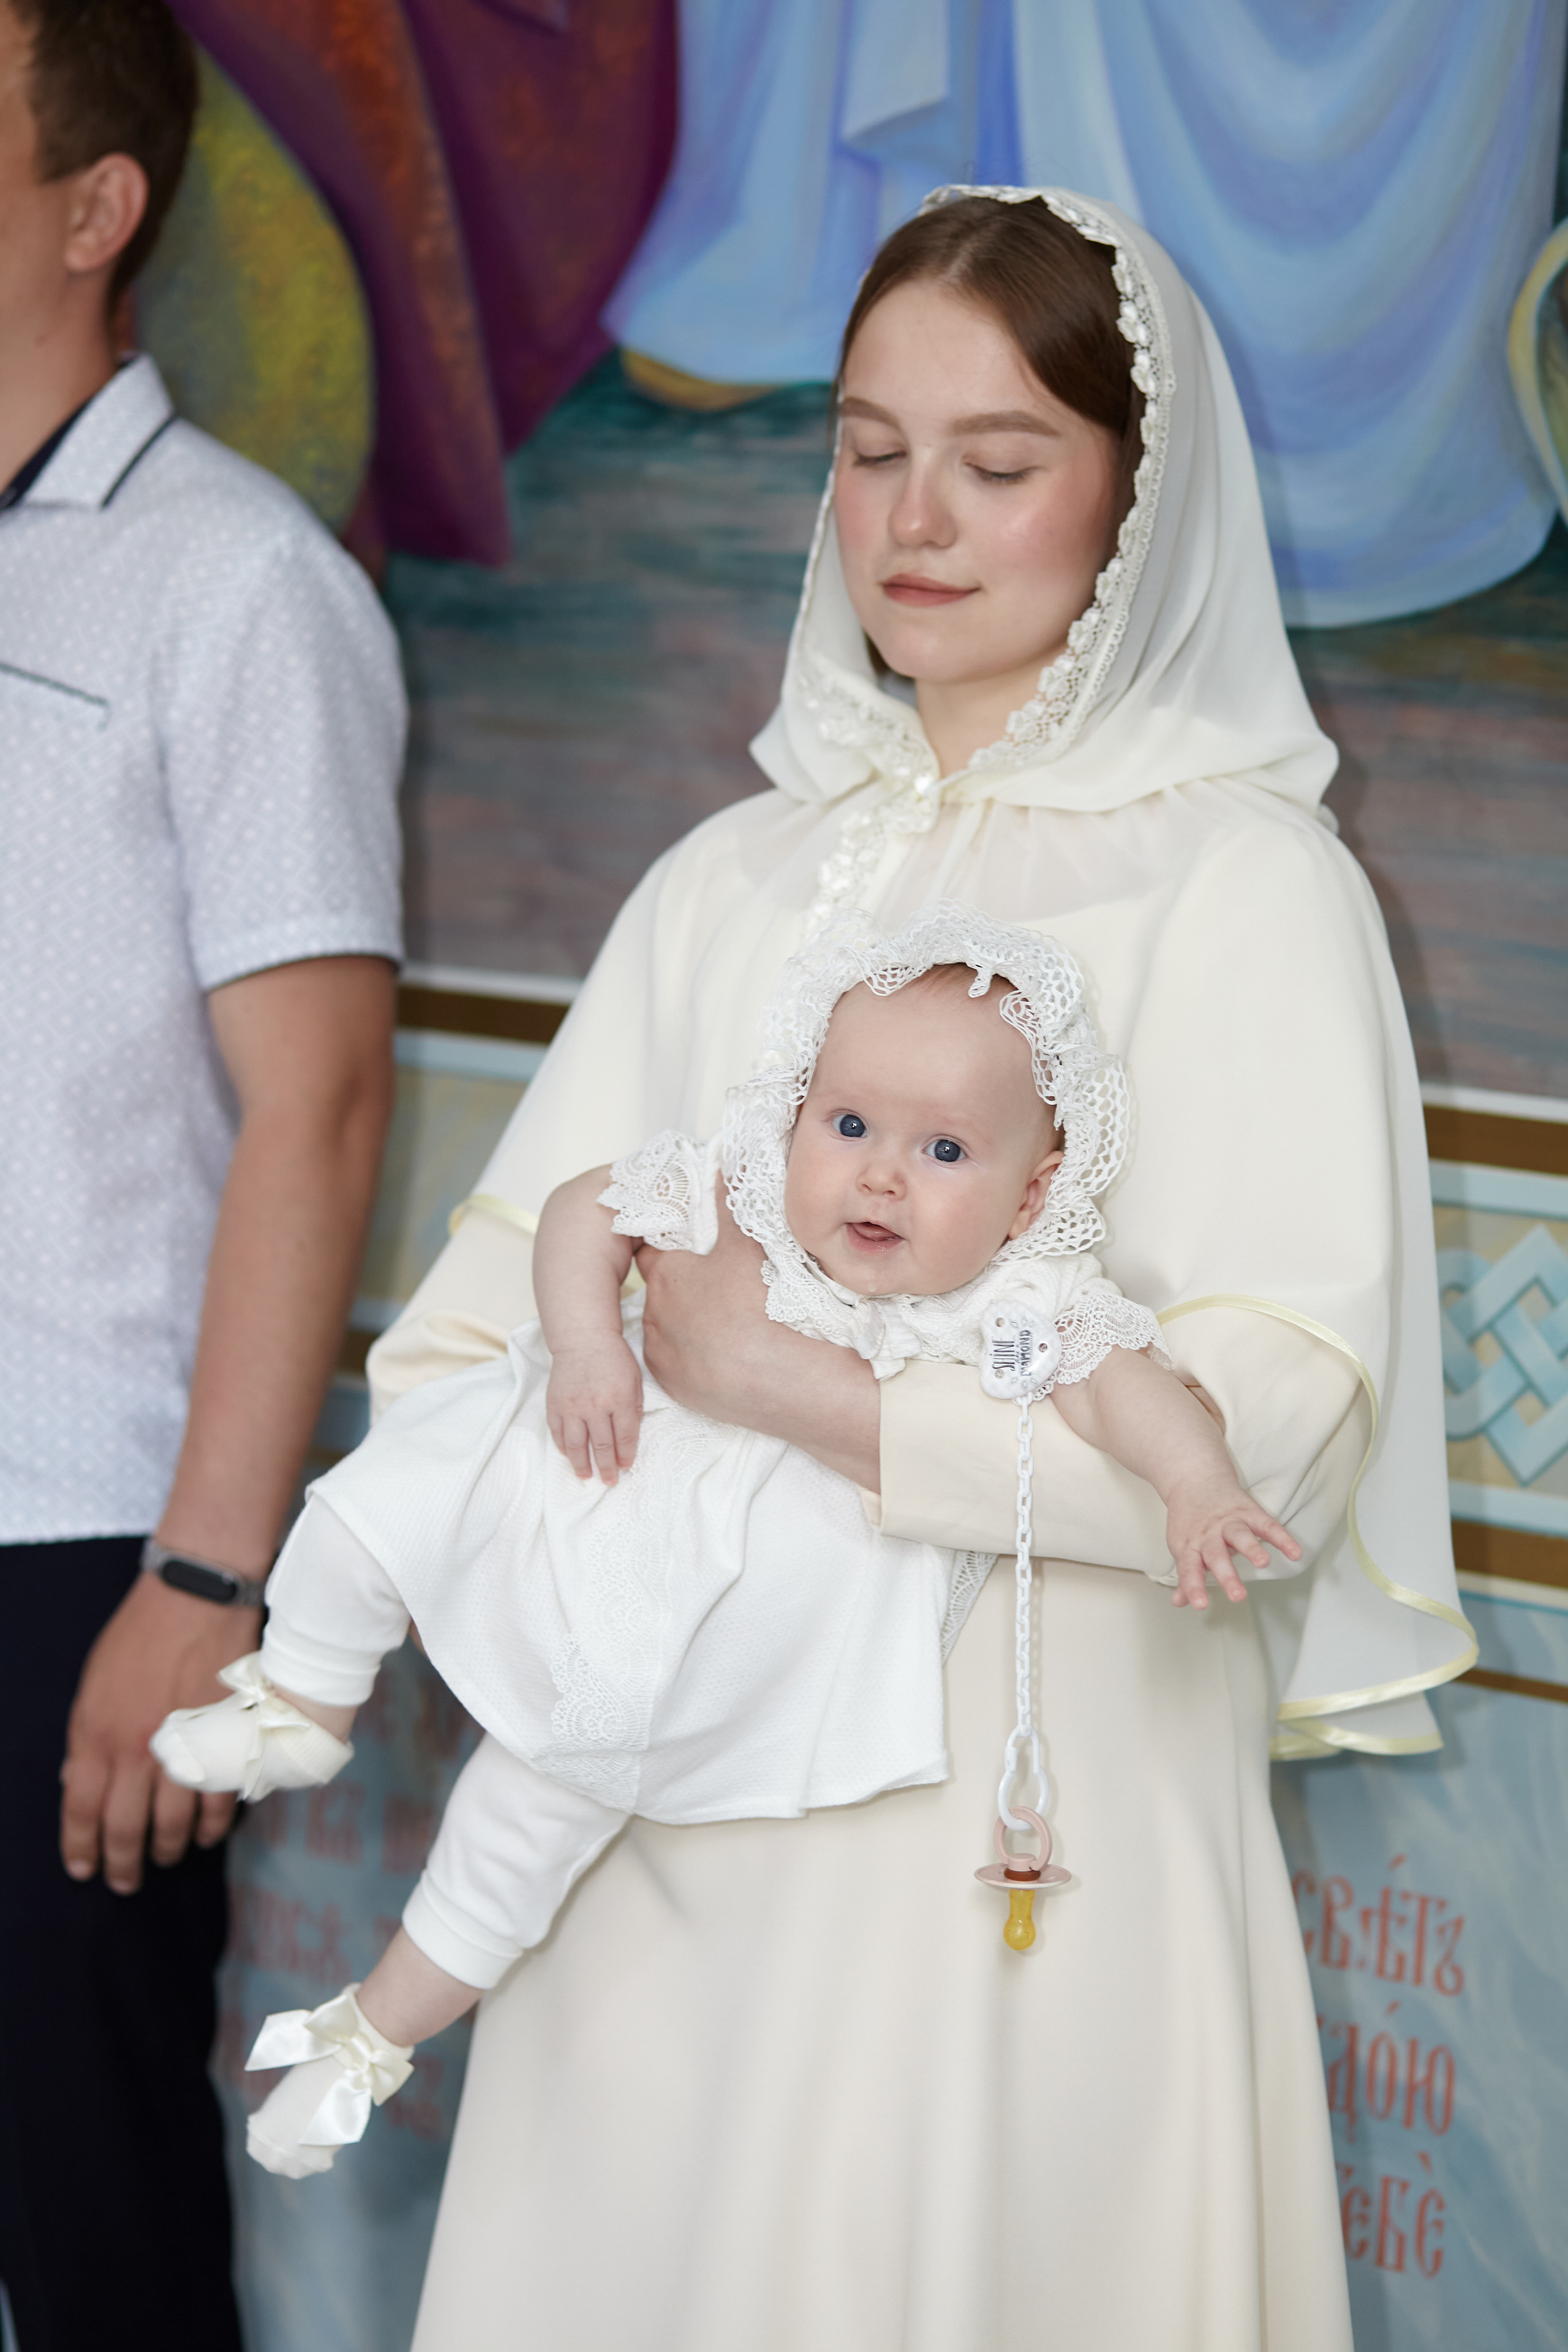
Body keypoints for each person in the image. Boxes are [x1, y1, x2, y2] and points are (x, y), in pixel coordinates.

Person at [370, 189, 1472, 2351]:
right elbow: (481, 1314)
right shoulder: (731, 875)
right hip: (664, 1846)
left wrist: (804, 1396)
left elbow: (1275, 1415)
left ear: (1136, 507)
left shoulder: (1250, 889)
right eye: (871, 450)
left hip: (1000, 1859)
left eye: (999, 461)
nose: (916, 521)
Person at [153, 906, 1305, 2179]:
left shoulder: (1018, 1296)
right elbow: (582, 1210)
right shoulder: (735, 1191)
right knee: (379, 1505)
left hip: (697, 1627)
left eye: (942, 1149)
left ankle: (368, 2040)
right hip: (597, 1465)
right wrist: (589, 1341)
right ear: (796, 1112)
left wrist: (1194, 1484)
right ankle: (303, 1695)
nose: (877, 1175)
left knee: (526, 1821)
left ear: (1032, 1190)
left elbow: (1122, 1387)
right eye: (849, 1125)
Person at [0, 2, 404, 2345]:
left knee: (94, 2228)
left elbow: (321, 1102)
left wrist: (204, 1575)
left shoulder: (233, 585)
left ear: (91, 205)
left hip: (75, 1552)